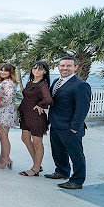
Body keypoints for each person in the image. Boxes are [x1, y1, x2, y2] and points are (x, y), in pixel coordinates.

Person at [44, 57, 91, 189]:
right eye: (62, 66)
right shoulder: (56, 81)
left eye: (68, 66)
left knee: (76, 154)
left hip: (70, 127)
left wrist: (75, 127)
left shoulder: (81, 85)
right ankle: (62, 171)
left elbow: (82, 108)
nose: (65, 68)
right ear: (58, 67)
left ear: (75, 67)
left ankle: (77, 180)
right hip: (56, 124)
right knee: (58, 151)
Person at [19, 61, 53, 177]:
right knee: (25, 138)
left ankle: (36, 169)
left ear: (45, 71)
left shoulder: (43, 84)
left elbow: (48, 99)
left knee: (37, 143)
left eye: (39, 69)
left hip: (35, 117)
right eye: (34, 68)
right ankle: (37, 164)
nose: (36, 71)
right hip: (25, 115)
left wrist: (40, 105)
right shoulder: (30, 83)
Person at [0, 64, 20, 169]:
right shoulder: (6, 82)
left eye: (6, 71)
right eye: (1, 70)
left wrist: (1, 102)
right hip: (2, 112)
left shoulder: (7, 82)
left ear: (10, 73)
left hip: (5, 113)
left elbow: (10, 95)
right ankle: (2, 157)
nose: (2, 72)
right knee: (2, 136)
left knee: (3, 137)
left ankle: (6, 159)